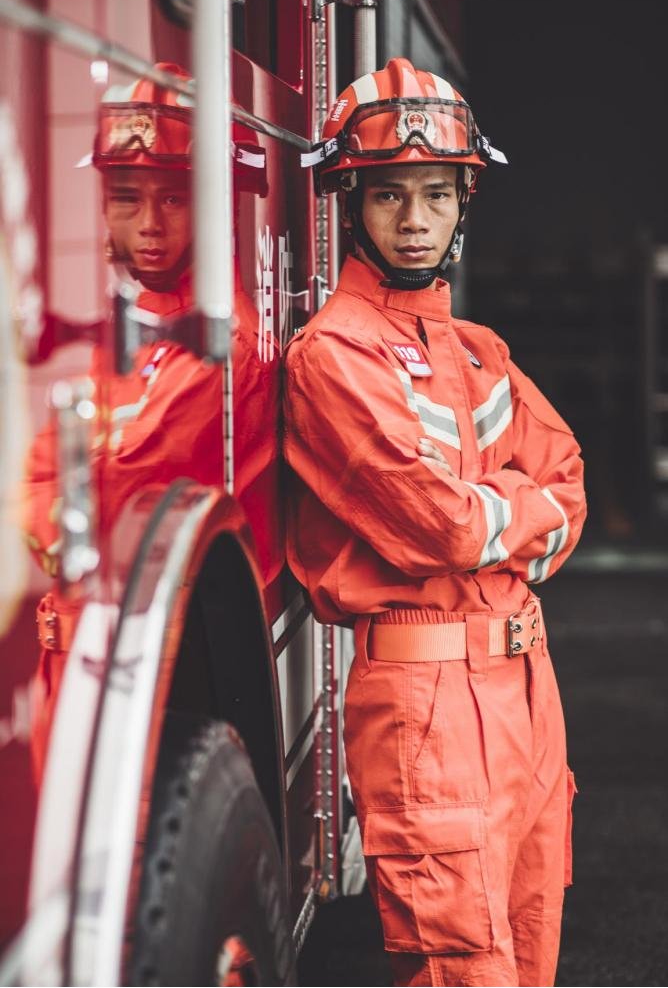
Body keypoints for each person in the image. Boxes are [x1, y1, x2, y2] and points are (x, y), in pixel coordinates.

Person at [283, 57, 586, 987]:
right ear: (351, 206)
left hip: (526, 687)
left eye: (434, 195)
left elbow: (569, 482)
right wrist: (512, 513)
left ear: (464, 204)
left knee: (530, 944)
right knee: (468, 964)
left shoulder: (476, 348)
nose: (414, 219)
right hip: (425, 705)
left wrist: (508, 515)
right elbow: (439, 527)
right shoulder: (331, 356)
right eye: (389, 197)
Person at [23, 64, 279, 784]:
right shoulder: (139, 331)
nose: (150, 226)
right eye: (126, 198)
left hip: (153, 683)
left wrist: (63, 511)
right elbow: (43, 475)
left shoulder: (224, 346)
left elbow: (99, 500)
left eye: (175, 197)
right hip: (91, 666)